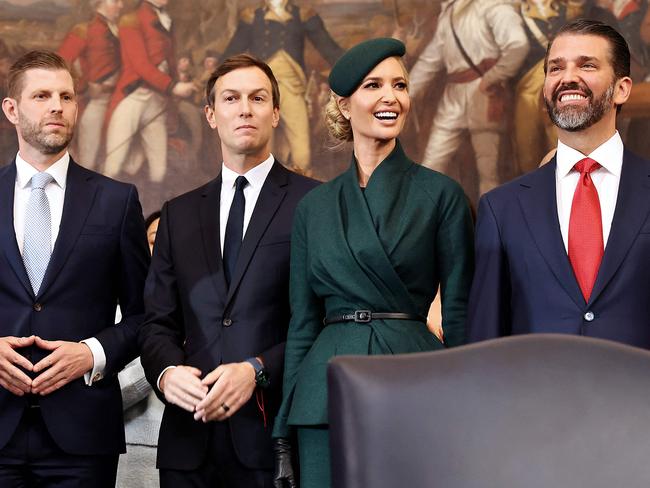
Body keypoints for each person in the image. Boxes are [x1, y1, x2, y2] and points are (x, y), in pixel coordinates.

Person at [272, 38, 474, 488]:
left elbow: (458, 313)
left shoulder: (441, 196)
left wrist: (470, 411)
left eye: (400, 85)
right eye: (373, 85)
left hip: (417, 383)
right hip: (323, 391)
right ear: (344, 106)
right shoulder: (314, 207)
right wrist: (283, 430)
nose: (391, 97)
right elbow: (302, 323)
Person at [139, 53, 318, 487]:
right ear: (211, 114)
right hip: (188, 442)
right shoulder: (178, 213)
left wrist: (256, 369)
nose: (245, 109)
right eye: (231, 98)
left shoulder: (315, 204)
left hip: (274, 437)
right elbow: (156, 324)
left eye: (258, 98)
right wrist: (166, 374)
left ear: (276, 113)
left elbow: (323, 317)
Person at [0, 50, 149, 487]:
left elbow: (146, 316)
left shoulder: (117, 201)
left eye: (66, 96)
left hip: (83, 438)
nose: (56, 107)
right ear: (12, 109)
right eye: (42, 95)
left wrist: (91, 354)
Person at [467, 20, 650, 347]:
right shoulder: (501, 209)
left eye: (587, 65)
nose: (567, 78)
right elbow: (485, 344)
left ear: (622, 88)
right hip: (537, 396)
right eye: (555, 68)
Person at [409, 0, 529, 195]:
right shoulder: (448, 14)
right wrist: (405, 95)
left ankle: (489, 223)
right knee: (431, 165)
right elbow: (429, 62)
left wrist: (492, 77)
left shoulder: (493, 6)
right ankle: (422, 221)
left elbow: (518, 45)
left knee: (488, 173)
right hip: (453, 96)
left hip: (483, 94)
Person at [222, 0, 343, 175]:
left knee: (301, 150)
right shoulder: (252, 17)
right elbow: (231, 52)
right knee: (261, 148)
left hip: (292, 86)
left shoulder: (302, 15)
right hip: (260, 90)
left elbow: (329, 48)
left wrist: (357, 67)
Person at [104, 0, 196, 182]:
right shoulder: (130, 20)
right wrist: (173, 87)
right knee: (114, 161)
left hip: (157, 99)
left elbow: (170, 63)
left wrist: (177, 87)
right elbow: (141, 65)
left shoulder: (167, 20)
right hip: (132, 96)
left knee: (159, 169)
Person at [117, 211, 165, 488]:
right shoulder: (116, 311)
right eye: (155, 240)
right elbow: (106, 392)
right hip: (131, 446)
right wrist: (162, 358)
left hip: (194, 452)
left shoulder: (207, 309)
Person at [58, 0, 124, 169]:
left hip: (120, 98)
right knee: (89, 158)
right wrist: (84, 86)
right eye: (115, 1)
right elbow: (61, 64)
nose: (121, 5)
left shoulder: (121, 31)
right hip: (97, 100)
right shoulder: (84, 30)